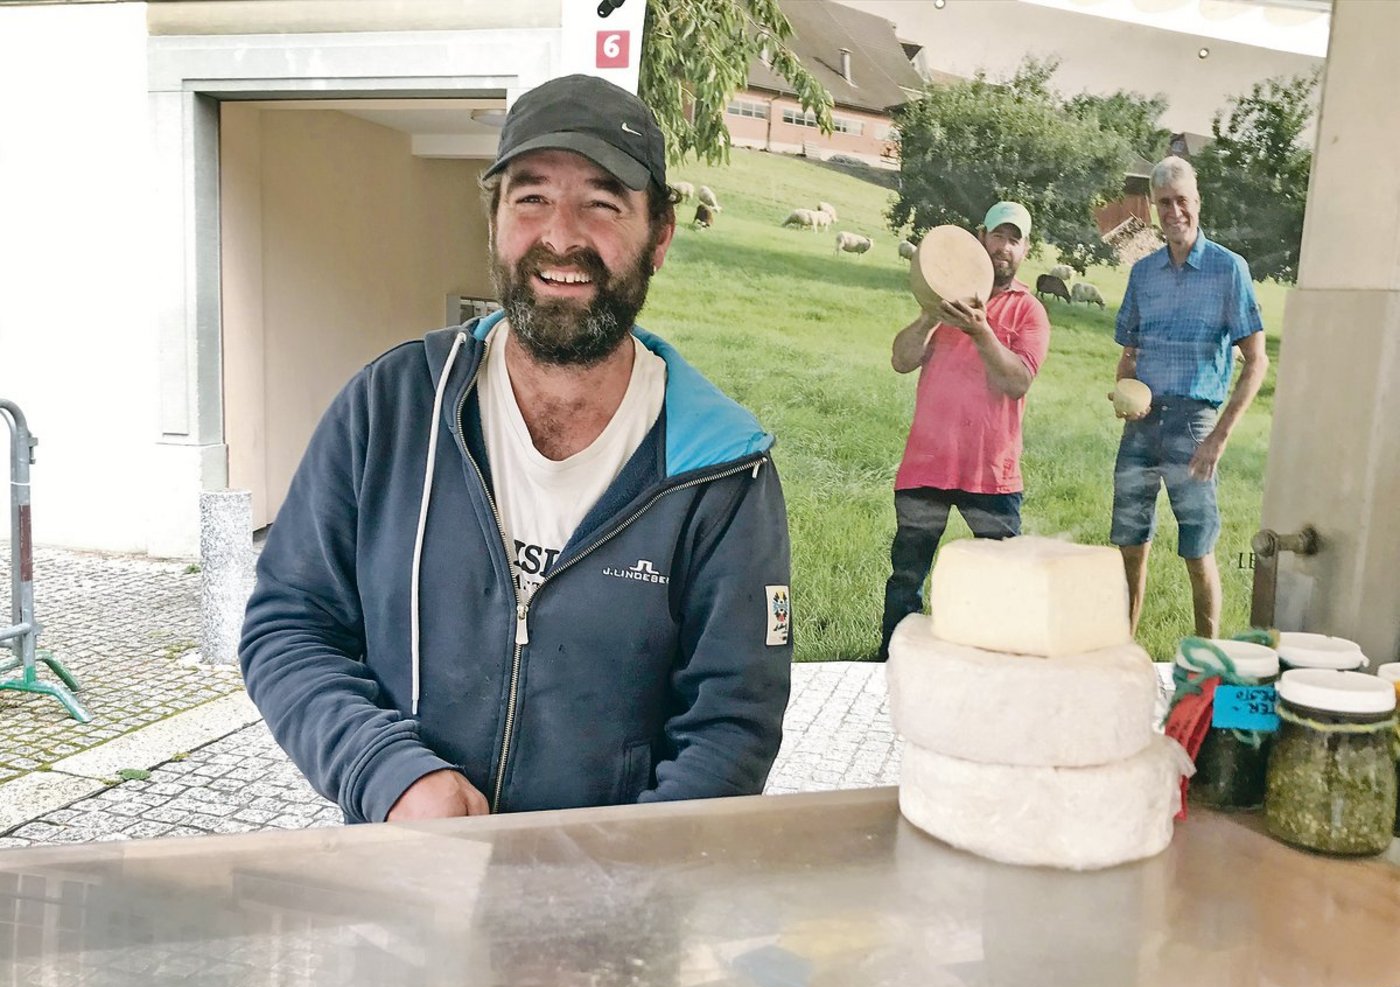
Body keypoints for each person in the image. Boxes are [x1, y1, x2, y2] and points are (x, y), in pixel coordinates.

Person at [240, 74, 793, 824]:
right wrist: (388, 774)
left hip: (612, 910)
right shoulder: (392, 407)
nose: (560, 236)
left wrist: (613, 893)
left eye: (602, 202)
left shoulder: (722, 472)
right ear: (494, 218)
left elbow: (730, 727)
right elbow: (289, 625)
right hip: (413, 887)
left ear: (659, 236)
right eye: (531, 197)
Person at [878, 202, 1050, 659]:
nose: (1005, 247)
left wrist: (981, 332)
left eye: (1015, 239)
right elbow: (900, 360)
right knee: (907, 579)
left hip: (991, 471)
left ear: (1025, 249)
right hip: (928, 463)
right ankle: (889, 668)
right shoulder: (943, 295)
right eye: (998, 236)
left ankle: (994, 669)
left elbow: (1016, 381)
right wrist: (930, 315)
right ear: (981, 237)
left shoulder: (1028, 312)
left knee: (1001, 583)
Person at [1110, 157, 1266, 638]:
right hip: (1142, 425)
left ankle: (1206, 670)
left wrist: (1218, 437)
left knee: (1197, 549)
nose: (1174, 211)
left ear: (1197, 202)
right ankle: (1123, 653)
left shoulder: (1227, 270)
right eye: (1164, 203)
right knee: (1129, 546)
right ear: (1154, 209)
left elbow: (1257, 361)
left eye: (1182, 200)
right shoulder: (1144, 273)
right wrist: (1123, 389)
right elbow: (1129, 351)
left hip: (1196, 425)